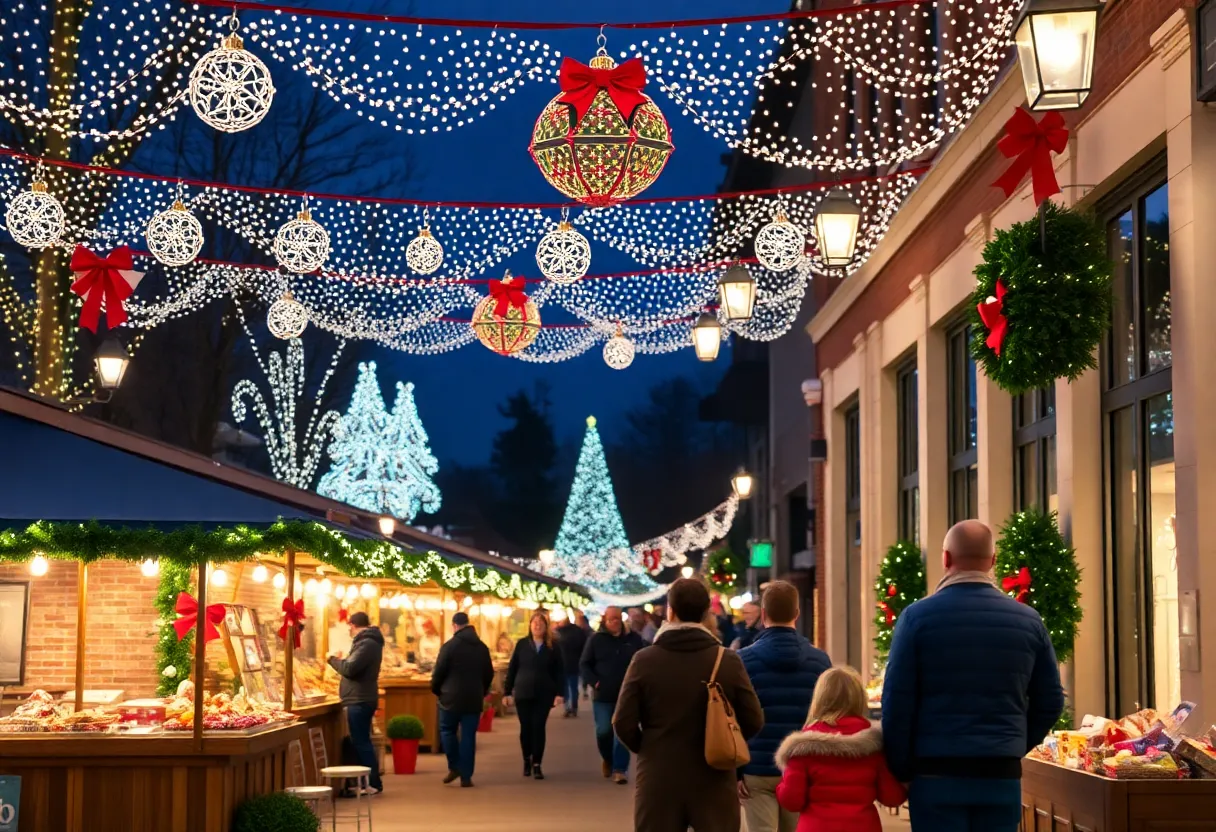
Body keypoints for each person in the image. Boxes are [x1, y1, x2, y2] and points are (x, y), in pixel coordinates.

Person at [882, 520, 1064, 831]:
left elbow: (897, 702)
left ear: (946, 558)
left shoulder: (916, 618)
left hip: (935, 775)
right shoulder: (1028, 621)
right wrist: (1015, 744)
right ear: (993, 561)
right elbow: (1050, 701)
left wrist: (901, 768)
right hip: (1000, 775)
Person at [614, 578, 765, 832]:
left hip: (658, 777)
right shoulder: (726, 660)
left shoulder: (644, 660)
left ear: (670, 611)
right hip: (714, 776)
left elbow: (622, 722)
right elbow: (754, 719)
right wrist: (724, 740)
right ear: (706, 613)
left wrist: (650, 747)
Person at [738, 581, 831, 832]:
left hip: (756, 765)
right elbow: (826, 716)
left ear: (763, 614)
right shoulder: (820, 660)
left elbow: (735, 718)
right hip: (801, 766)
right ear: (797, 615)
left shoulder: (743, 660)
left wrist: (737, 772)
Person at [775, 666, 906, 832]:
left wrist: (781, 785)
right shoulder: (875, 744)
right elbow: (892, 797)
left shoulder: (803, 746)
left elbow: (791, 801)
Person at [579, 605, 645, 784]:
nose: (615, 622)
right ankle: (607, 758)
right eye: (611, 619)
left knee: (621, 733)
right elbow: (585, 664)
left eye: (617, 618)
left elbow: (643, 661)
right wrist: (595, 682)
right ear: (604, 620)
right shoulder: (596, 640)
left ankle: (620, 769)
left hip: (627, 695)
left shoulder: (633, 639)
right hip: (603, 695)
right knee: (603, 731)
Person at [431, 611, 494, 788]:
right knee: (468, 736)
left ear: (454, 626)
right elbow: (488, 673)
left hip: (450, 697)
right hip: (473, 697)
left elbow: (439, 672)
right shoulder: (482, 647)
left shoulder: (449, 646)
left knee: (447, 731)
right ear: (469, 625)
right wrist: (481, 690)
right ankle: (466, 776)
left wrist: (437, 690)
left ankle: (455, 765)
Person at [327, 611, 385, 795]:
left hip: (359, 699)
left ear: (352, 625)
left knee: (361, 742)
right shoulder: (369, 642)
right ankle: (365, 782)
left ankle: (372, 783)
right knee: (361, 741)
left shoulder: (366, 643)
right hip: (361, 697)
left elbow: (350, 668)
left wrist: (333, 660)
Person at [504, 611, 564, 780]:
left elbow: (559, 671)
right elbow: (513, 668)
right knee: (526, 728)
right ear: (530, 626)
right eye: (534, 623)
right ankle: (526, 759)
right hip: (523, 692)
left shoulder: (553, 646)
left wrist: (560, 693)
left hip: (544, 693)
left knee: (538, 727)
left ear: (546, 627)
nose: (537, 625)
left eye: (540, 623)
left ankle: (537, 763)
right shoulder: (522, 644)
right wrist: (507, 692)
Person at [555, 613, 589, 717]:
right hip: (575, 662)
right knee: (573, 686)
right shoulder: (578, 631)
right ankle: (574, 706)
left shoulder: (558, 633)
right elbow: (584, 646)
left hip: (562, 663)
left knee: (565, 687)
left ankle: (567, 707)